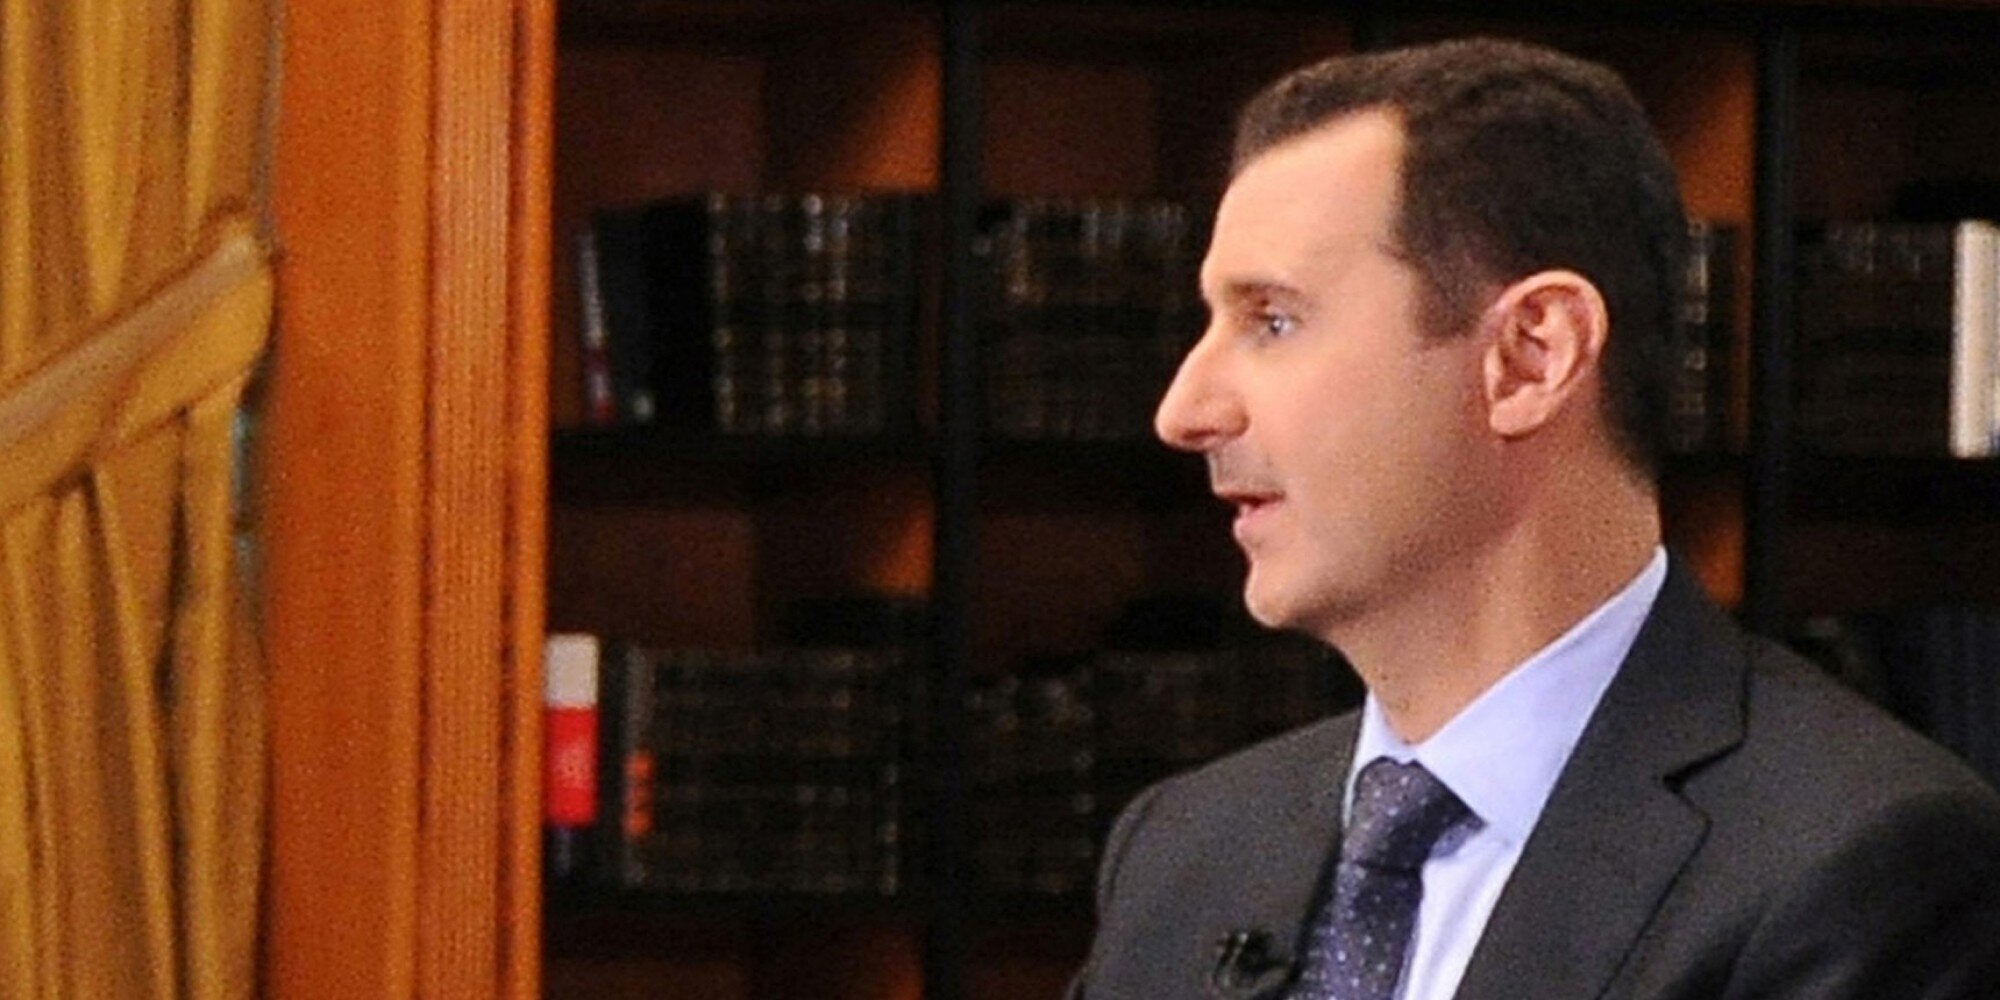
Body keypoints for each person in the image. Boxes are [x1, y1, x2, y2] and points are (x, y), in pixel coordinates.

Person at [1067, 37, 2000, 1000]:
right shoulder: (1183, 851)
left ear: (1529, 357)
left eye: (1273, 321)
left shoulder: (1859, 864)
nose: (1184, 411)